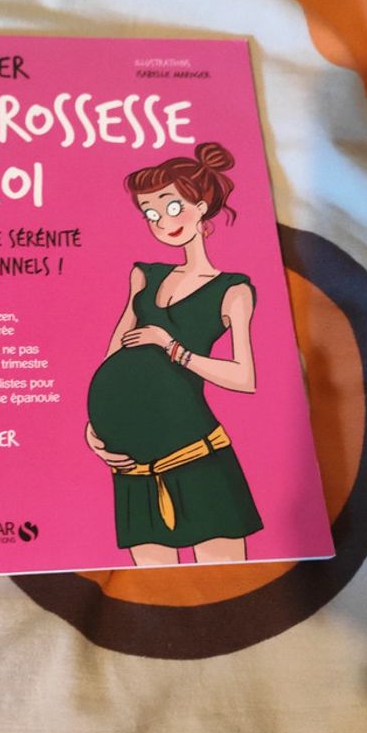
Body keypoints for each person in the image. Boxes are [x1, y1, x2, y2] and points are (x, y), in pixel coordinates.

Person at [85, 142, 263, 566]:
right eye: (150, 213)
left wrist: (171, 347)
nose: (162, 222)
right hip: (131, 466)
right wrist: (96, 428)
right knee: (153, 588)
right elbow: (112, 357)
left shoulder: (232, 290)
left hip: (196, 456)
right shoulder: (144, 276)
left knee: (224, 581)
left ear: (200, 208)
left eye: (171, 207)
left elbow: (244, 378)